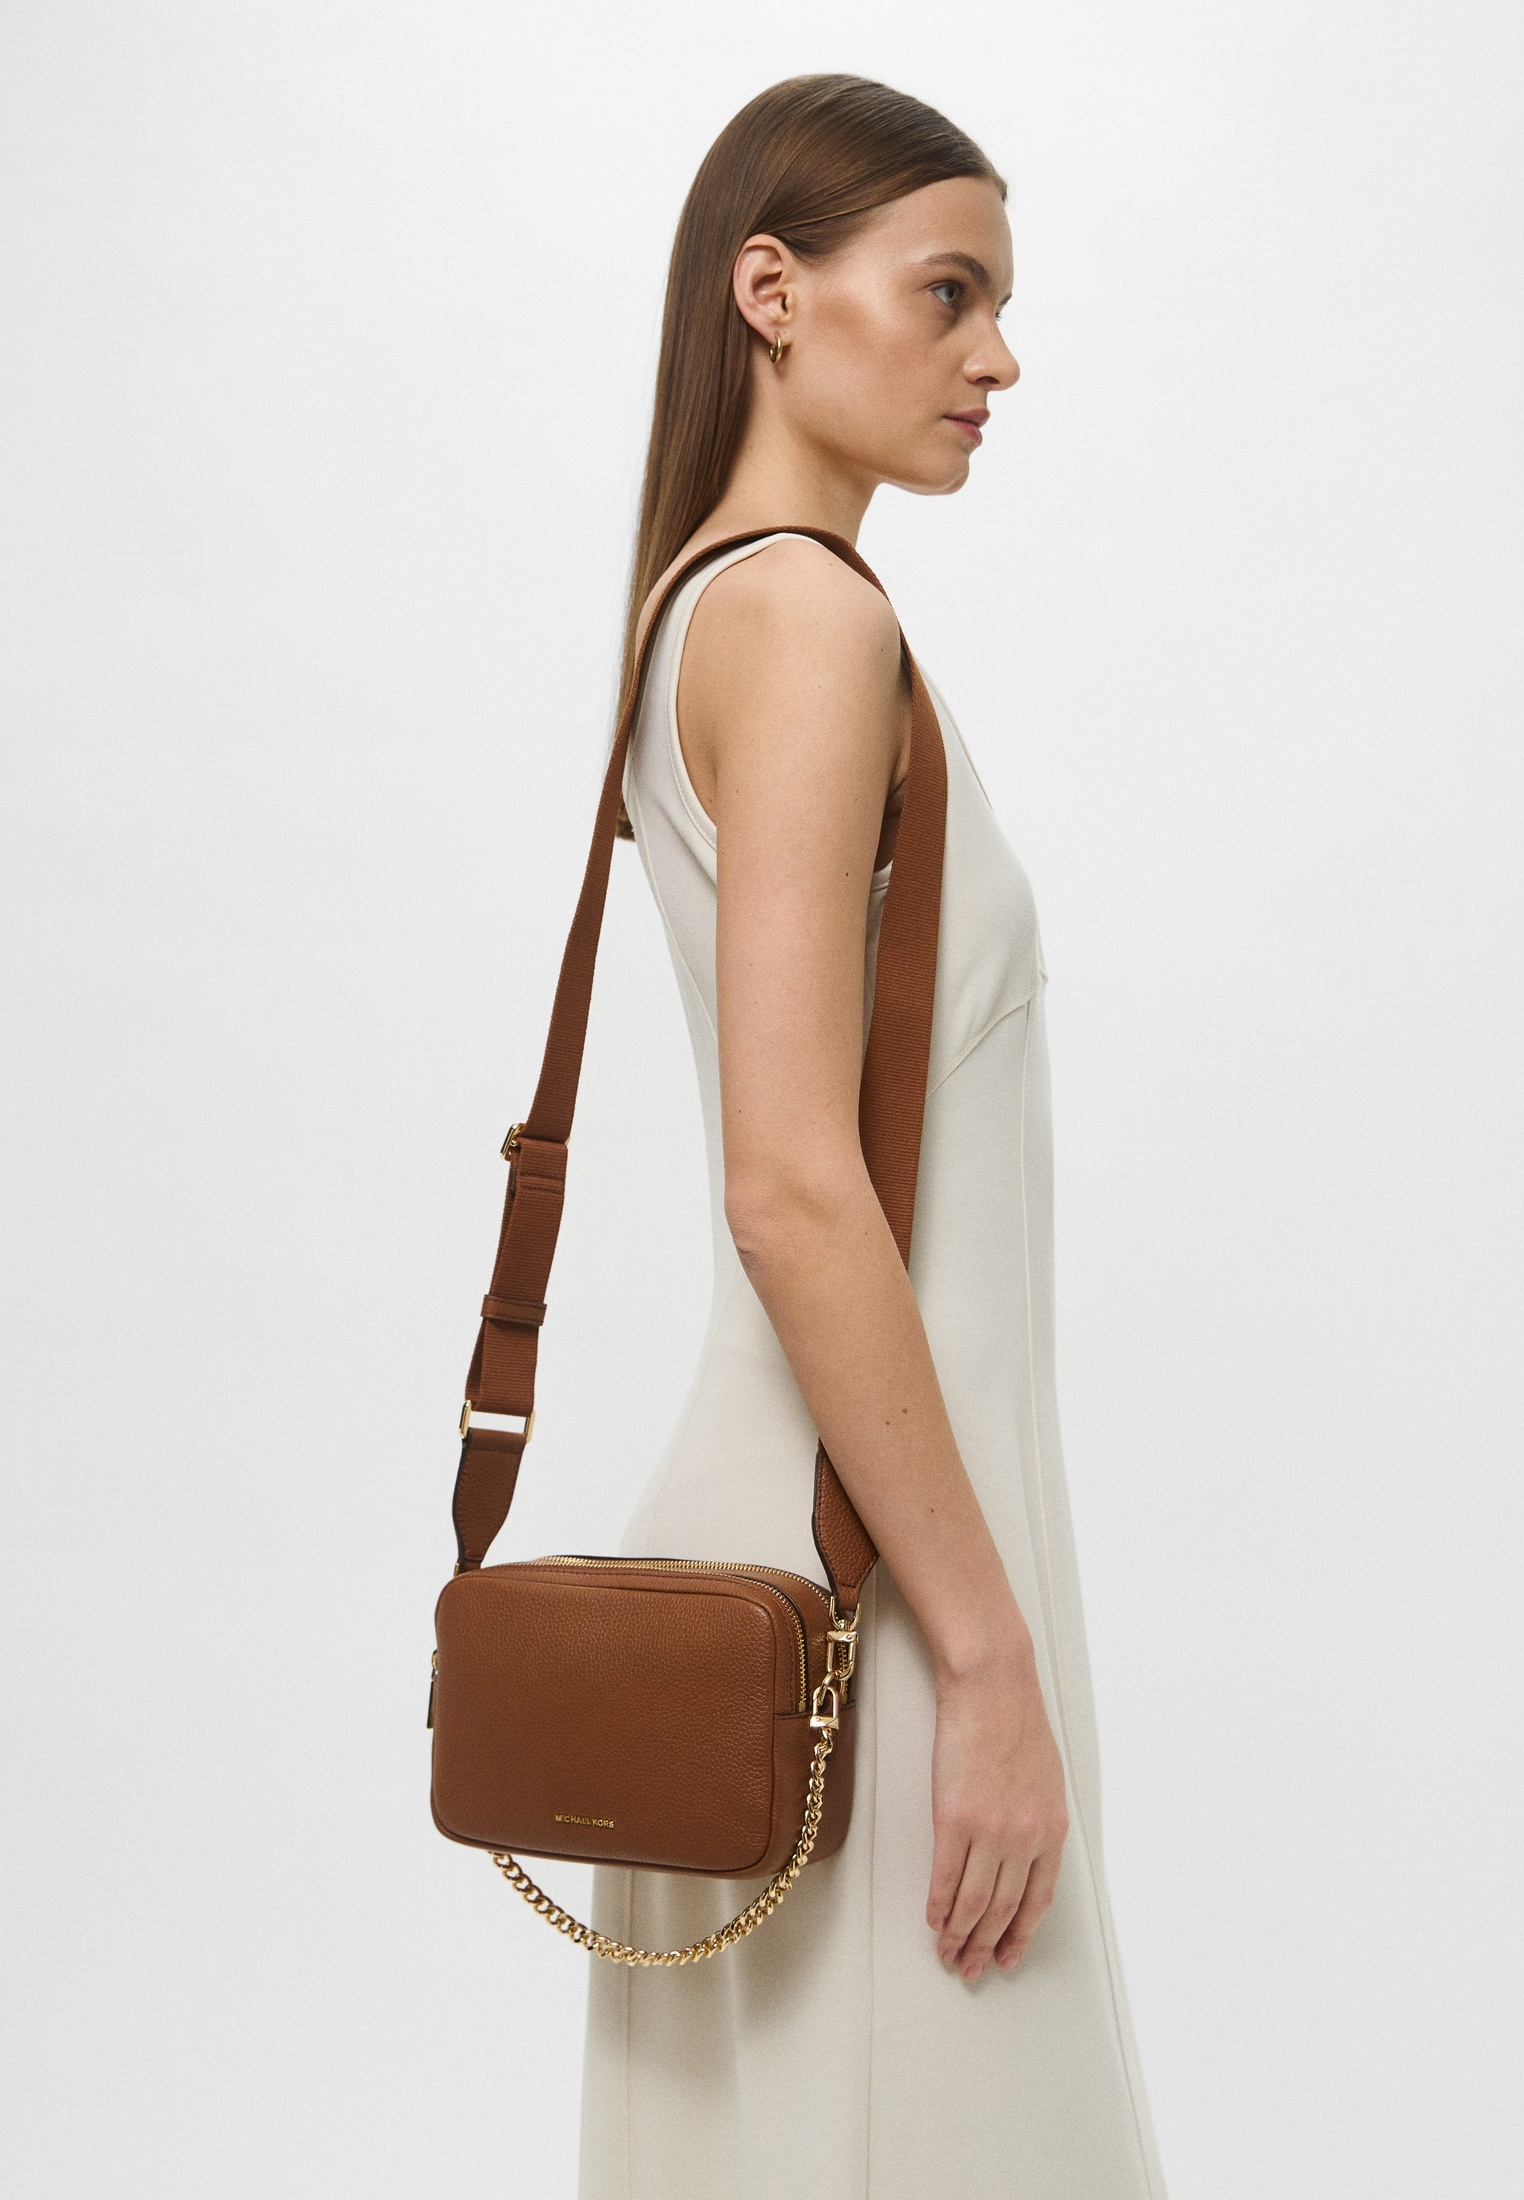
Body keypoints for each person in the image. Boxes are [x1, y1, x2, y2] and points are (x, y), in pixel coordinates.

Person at [578, 73, 1169, 2200]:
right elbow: (793, 1183)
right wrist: (986, 1655)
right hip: (879, 1592)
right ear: (773, 293)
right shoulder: (809, 620)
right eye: (949, 293)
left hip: (814, 1541)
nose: (997, 356)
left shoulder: (703, 607)